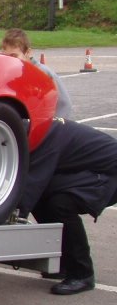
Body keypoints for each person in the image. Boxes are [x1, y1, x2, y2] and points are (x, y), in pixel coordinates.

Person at [18, 118, 117, 295]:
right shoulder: (36, 130)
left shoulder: (44, 137)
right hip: (87, 170)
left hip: (109, 174)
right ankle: (63, 264)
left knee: (61, 204)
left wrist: (10, 219)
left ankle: (82, 274)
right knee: (43, 198)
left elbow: (31, 182)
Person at [0, 28, 74, 119]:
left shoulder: (41, 73)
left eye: (14, 56)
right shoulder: (13, 73)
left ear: (28, 52)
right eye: (6, 56)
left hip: (55, 122)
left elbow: (58, 105)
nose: (10, 61)